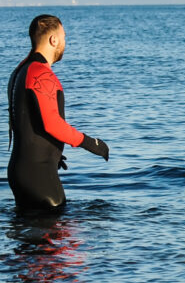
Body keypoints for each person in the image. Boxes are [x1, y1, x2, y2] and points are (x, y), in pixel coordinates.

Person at [7, 15, 109, 208]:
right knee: (58, 226)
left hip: (20, 169)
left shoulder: (19, 71)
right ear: (53, 40)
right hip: (38, 173)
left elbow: (25, 120)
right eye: (64, 37)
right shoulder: (41, 73)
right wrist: (92, 144)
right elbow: (52, 123)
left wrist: (53, 151)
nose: (64, 42)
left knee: (30, 226)